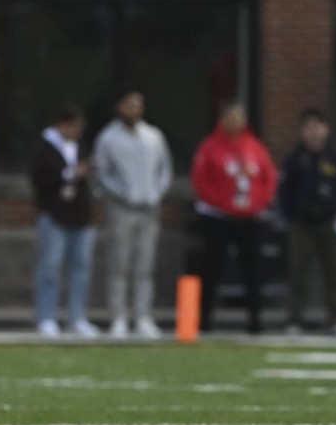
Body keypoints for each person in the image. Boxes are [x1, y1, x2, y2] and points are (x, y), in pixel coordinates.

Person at [190, 101, 278, 334]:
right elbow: (201, 181)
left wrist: (259, 202)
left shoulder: (255, 147)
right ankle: (204, 319)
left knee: (253, 269)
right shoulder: (210, 147)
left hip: (251, 217)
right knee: (211, 268)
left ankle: (255, 320)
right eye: (230, 117)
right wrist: (223, 203)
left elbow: (269, 177)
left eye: (239, 117)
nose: (235, 122)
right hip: (218, 217)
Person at [92, 90, 172, 339]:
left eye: (138, 105)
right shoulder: (108, 138)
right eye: (129, 105)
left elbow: (164, 168)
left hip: (149, 208)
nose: (134, 110)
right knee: (120, 264)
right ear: (119, 107)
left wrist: (157, 192)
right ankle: (119, 317)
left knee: (145, 265)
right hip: (121, 208)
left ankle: (143, 317)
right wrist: (120, 193)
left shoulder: (153, 136)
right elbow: (102, 172)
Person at [278, 107, 336, 337]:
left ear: (326, 129)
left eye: (317, 126)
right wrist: (292, 214)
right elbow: (285, 192)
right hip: (302, 224)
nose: (313, 132)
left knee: (335, 272)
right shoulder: (294, 159)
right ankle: (294, 320)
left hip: (331, 223)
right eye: (308, 127)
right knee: (298, 272)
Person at [30, 105, 99, 337]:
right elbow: (40, 180)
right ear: (61, 124)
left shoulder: (79, 146)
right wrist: (68, 175)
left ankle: (77, 317)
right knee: (50, 267)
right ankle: (46, 317)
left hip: (80, 214)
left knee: (80, 268)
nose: (77, 132)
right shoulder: (44, 147)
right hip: (54, 213)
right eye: (73, 127)